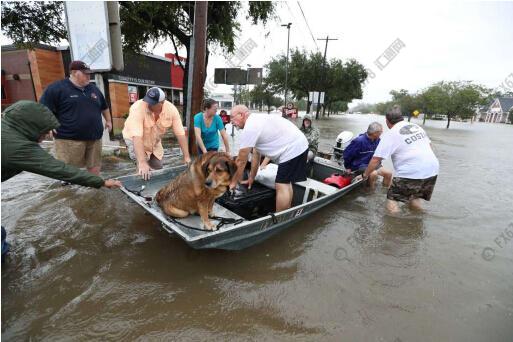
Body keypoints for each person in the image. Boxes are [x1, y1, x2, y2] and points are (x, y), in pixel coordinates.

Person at [1, 101, 122, 261]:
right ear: (31, 126)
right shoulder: (17, 146)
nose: (46, 136)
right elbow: (60, 170)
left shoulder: (7, 128)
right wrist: (101, 182)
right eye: (44, 132)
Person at [229, 105, 309, 212]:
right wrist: (251, 178)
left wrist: (233, 183)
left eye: (232, 117)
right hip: (299, 145)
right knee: (285, 182)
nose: (231, 122)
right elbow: (256, 155)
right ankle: (287, 211)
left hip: (293, 148)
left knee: (281, 184)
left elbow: (241, 160)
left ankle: (280, 218)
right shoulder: (256, 121)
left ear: (241, 115)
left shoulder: (251, 126)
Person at [40, 60, 112, 176]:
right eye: (85, 74)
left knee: (94, 168)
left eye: (89, 73)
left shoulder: (93, 89)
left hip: (94, 139)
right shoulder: (56, 88)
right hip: (68, 139)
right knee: (69, 173)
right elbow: (43, 109)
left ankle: (93, 190)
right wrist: (48, 125)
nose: (88, 76)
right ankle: (68, 192)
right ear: (74, 73)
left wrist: (108, 121)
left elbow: (104, 107)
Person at [363, 106, 439, 213]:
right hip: (432, 169)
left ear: (387, 121)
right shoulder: (416, 127)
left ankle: (393, 226)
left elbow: (375, 160)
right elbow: (430, 146)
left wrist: (365, 175)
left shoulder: (391, 134)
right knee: (415, 198)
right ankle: (418, 222)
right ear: (402, 118)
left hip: (411, 171)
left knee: (392, 199)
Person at [122, 87, 191, 180]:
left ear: (162, 103)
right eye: (148, 101)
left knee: (158, 167)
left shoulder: (171, 110)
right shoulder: (137, 108)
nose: (149, 104)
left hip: (154, 141)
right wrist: (142, 162)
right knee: (143, 169)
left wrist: (186, 156)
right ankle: (140, 187)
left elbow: (180, 134)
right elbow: (137, 137)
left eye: (153, 103)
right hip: (134, 139)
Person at [343, 122, 392, 189]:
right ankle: (371, 192)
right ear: (375, 133)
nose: (382, 133)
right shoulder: (359, 141)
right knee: (373, 174)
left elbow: (379, 155)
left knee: (388, 174)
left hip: (372, 164)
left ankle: (384, 191)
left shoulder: (378, 140)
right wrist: (348, 167)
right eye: (381, 132)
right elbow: (347, 154)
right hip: (360, 164)